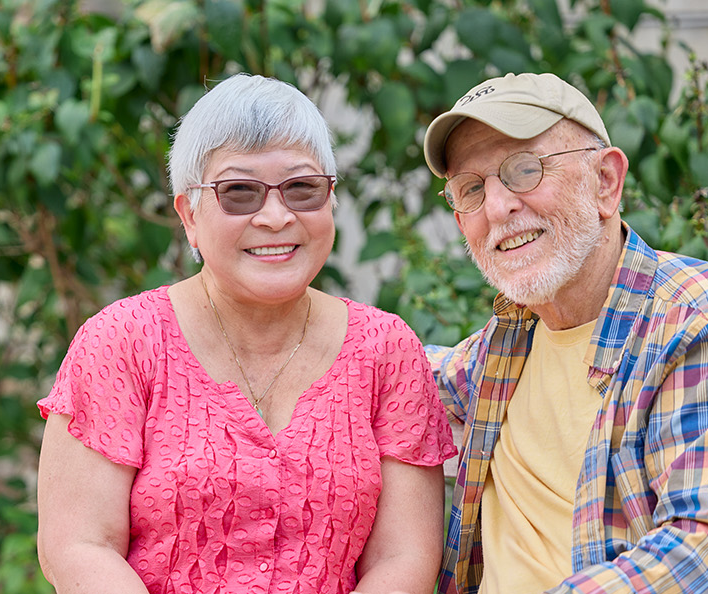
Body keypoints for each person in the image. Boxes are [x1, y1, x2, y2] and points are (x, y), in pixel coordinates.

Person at [35, 74, 457, 594]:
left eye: (302, 188)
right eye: (239, 192)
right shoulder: (123, 342)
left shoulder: (386, 350)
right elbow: (78, 546)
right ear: (189, 214)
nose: (277, 217)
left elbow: (405, 557)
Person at [419, 72, 708, 594]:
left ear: (606, 183)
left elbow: (702, 553)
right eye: (471, 189)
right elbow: (391, 368)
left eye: (524, 169)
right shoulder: (508, 344)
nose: (498, 208)